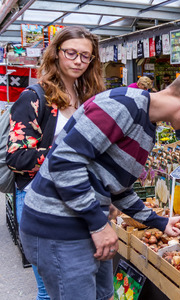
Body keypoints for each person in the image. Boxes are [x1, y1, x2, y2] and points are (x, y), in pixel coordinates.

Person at [19, 68, 180, 299]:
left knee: (104, 295)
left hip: (84, 225)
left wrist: (159, 221)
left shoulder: (147, 125)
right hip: (59, 227)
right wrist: (98, 225)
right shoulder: (122, 106)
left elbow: (116, 186)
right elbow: (64, 163)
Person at [6, 26, 105, 300]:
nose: (78, 61)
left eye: (86, 56)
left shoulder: (88, 100)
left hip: (79, 200)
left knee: (78, 283)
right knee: (50, 291)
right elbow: (17, 156)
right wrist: (67, 155)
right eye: (71, 53)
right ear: (56, 54)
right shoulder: (34, 97)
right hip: (40, 200)